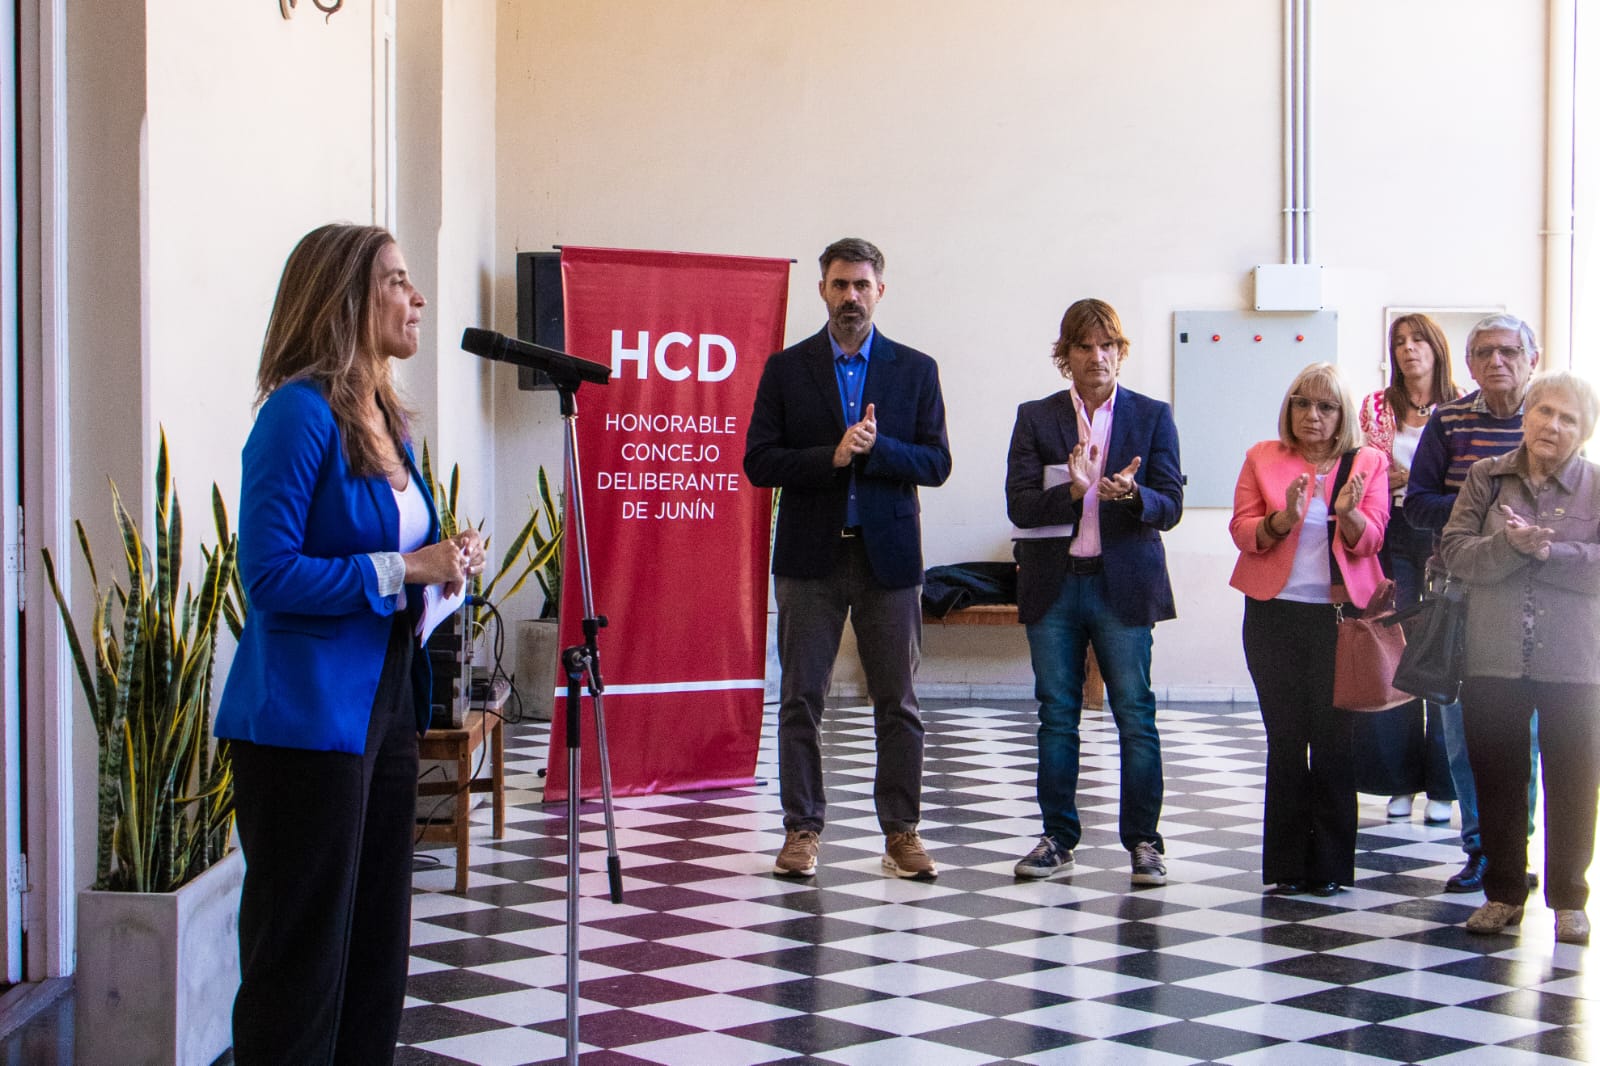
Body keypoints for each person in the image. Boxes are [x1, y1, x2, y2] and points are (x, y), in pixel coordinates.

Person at [215, 223, 487, 1064]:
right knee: (301, 962)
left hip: (385, 707)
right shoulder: (297, 415)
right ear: (345, 298)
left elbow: (397, 570)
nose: (418, 297)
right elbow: (268, 575)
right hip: (304, 723)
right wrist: (405, 567)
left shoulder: (386, 419)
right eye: (398, 280)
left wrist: (442, 571)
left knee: (375, 951)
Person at [744, 238, 952, 880]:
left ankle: (902, 834)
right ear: (822, 291)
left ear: (880, 291)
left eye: (862, 285)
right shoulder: (786, 369)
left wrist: (876, 449)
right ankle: (802, 829)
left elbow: (937, 463)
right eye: (840, 285)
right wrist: (830, 457)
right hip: (810, 560)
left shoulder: (916, 369)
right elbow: (758, 461)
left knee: (899, 703)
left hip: (889, 561)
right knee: (800, 699)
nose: (851, 297)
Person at [1005, 299, 1184, 885]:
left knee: (1135, 713)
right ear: (1066, 355)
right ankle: (1057, 838)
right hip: (1054, 587)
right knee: (1057, 715)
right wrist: (1072, 492)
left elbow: (1171, 505)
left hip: (1122, 586)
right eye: (1083, 346)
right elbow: (1019, 505)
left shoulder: (1152, 417)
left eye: (1107, 345)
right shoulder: (1036, 417)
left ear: (1120, 351)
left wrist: (1132, 496)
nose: (1096, 356)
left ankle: (1144, 843)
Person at [1439, 371, 1600, 945]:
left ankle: (1570, 900)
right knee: (1498, 778)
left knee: (1575, 781)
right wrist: (1508, 545)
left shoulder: (1595, 484)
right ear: (1526, 414)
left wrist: (1551, 551)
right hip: (1492, 654)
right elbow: (1454, 550)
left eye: (1568, 418)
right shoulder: (1486, 476)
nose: (1552, 425)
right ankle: (1504, 893)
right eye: (1544, 411)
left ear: (1584, 432)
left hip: (1575, 661)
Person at [1229, 363, 1390, 897]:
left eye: (1325, 406)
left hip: (1339, 622)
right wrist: (1282, 520)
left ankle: (1330, 866)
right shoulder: (1263, 456)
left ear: (1342, 415)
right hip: (1273, 615)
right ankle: (1287, 866)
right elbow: (1242, 530)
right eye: (1302, 403)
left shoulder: (1366, 462)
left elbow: (1372, 539)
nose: (1312, 415)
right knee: (1285, 739)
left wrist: (1348, 515)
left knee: (1333, 741)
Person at [1404, 313, 1542, 893]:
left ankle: (1516, 849)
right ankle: (1481, 848)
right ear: (1468, 363)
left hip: (1534, 596)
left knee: (1526, 732)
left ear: (1532, 359)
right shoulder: (1449, 420)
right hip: (1461, 595)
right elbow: (1416, 504)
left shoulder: (1550, 416)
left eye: (1508, 351)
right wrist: (1482, 508)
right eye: (1484, 352)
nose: (1496, 361)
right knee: (1461, 731)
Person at [1354, 314, 1460, 824]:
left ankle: (1443, 784)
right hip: (1392, 531)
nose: (1408, 349)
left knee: (1439, 650)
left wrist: (1413, 477)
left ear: (1437, 348)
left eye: (1418, 340)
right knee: (1394, 651)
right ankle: (1398, 781)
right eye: (1399, 341)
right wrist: (1397, 479)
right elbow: (1368, 472)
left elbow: (1459, 479)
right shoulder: (1377, 406)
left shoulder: (1461, 408)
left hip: (1443, 535)